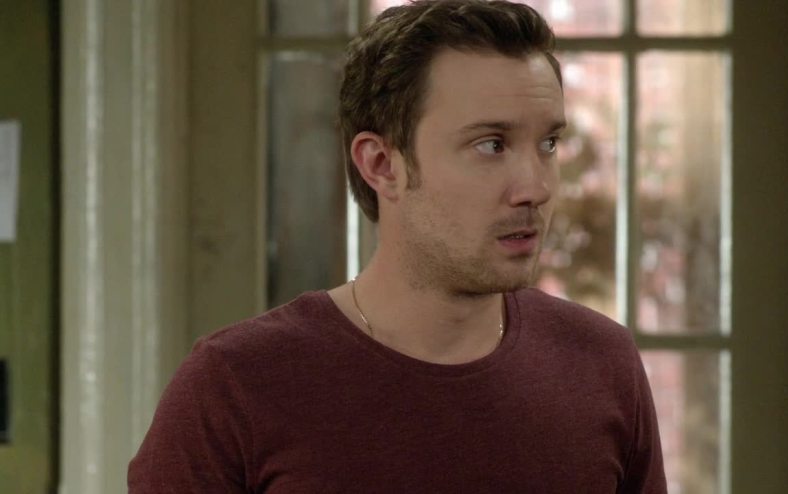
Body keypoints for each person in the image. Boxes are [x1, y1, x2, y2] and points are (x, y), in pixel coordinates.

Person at [128, 1, 667, 492]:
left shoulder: (601, 365)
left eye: (548, 143)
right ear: (382, 164)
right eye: (491, 145)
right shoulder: (235, 387)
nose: (536, 187)